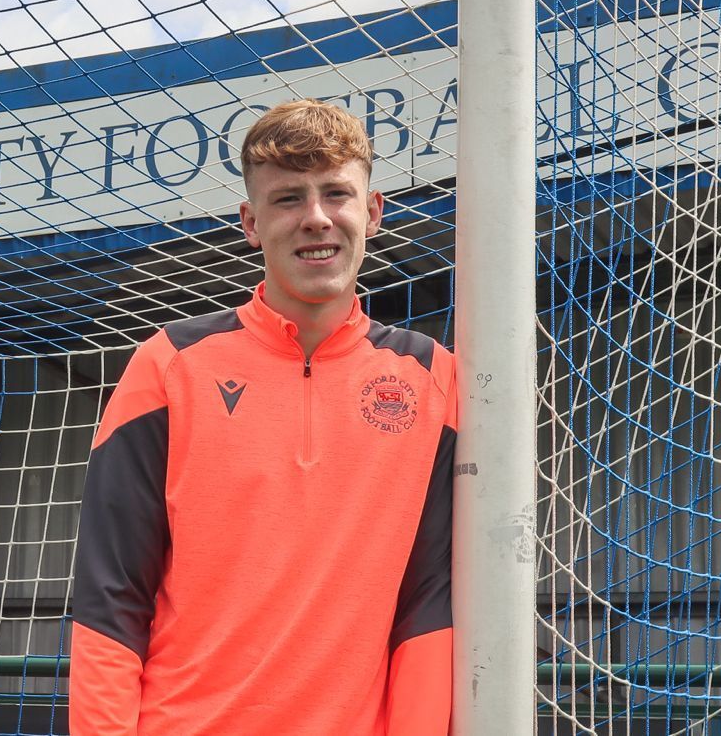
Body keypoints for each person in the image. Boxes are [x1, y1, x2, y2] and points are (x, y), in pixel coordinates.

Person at [70, 99, 456, 735]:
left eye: (337, 193)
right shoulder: (169, 366)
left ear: (374, 210)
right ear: (250, 222)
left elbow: (430, 600)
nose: (316, 218)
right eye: (287, 200)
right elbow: (110, 598)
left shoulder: (432, 378)